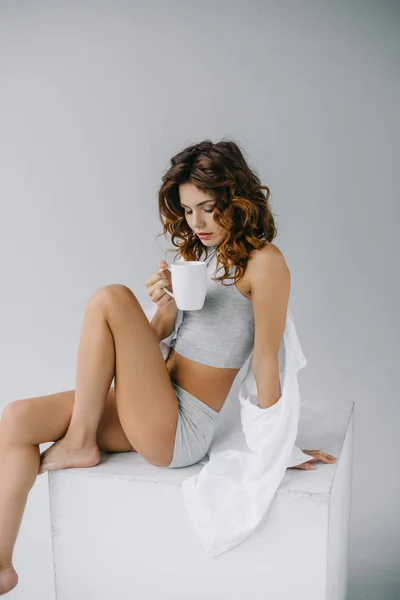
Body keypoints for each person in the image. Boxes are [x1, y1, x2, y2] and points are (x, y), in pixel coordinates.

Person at [0, 139, 336, 594]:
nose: (196, 223)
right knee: (17, 418)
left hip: (180, 426)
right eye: (188, 210)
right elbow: (160, 336)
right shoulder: (199, 258)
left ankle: (80, 441)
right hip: (152, 400)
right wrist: (164, 305)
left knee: (111, 298)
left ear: (236, 198)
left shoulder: (265, 263)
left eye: (208, 207)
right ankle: (3, 567)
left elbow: (265, 363)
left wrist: (281, 449)